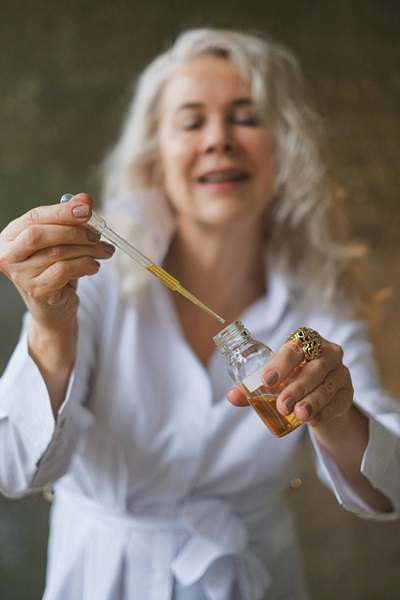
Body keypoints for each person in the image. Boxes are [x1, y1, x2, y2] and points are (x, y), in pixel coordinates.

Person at [0, 27, 399, 600]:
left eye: (245, 117)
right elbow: (15, 470)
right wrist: (50, 325)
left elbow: (393, 487)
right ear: (157, 156)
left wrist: (335, 413)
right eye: (191, 122)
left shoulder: (318, 299)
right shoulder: (96, 274)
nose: (218, 140)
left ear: (284, 147)